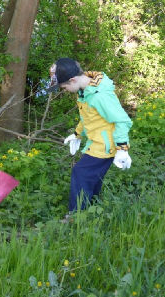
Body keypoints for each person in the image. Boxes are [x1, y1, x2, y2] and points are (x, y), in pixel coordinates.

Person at [47, 58, 133, 214]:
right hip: (97, 142)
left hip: (106, 145)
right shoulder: (85, 90)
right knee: (92, 176)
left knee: (81, 173)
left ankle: (76, 216)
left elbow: (122, 120)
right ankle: (93, 208)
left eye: (64, 87)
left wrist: (122, 148)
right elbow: (89, 117)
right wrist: (77, 134)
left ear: (72, 80)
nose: (64, 90)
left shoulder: (99, 95)